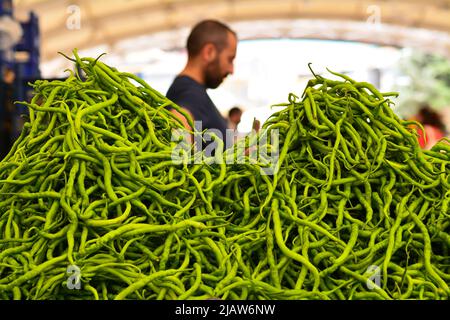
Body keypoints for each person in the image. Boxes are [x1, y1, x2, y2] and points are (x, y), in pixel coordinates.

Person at [166, 19, 237, 149]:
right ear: (209, 52)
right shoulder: (188, 95)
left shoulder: (192, 92)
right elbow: (179, 157)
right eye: (230, 59)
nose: (231, 70)